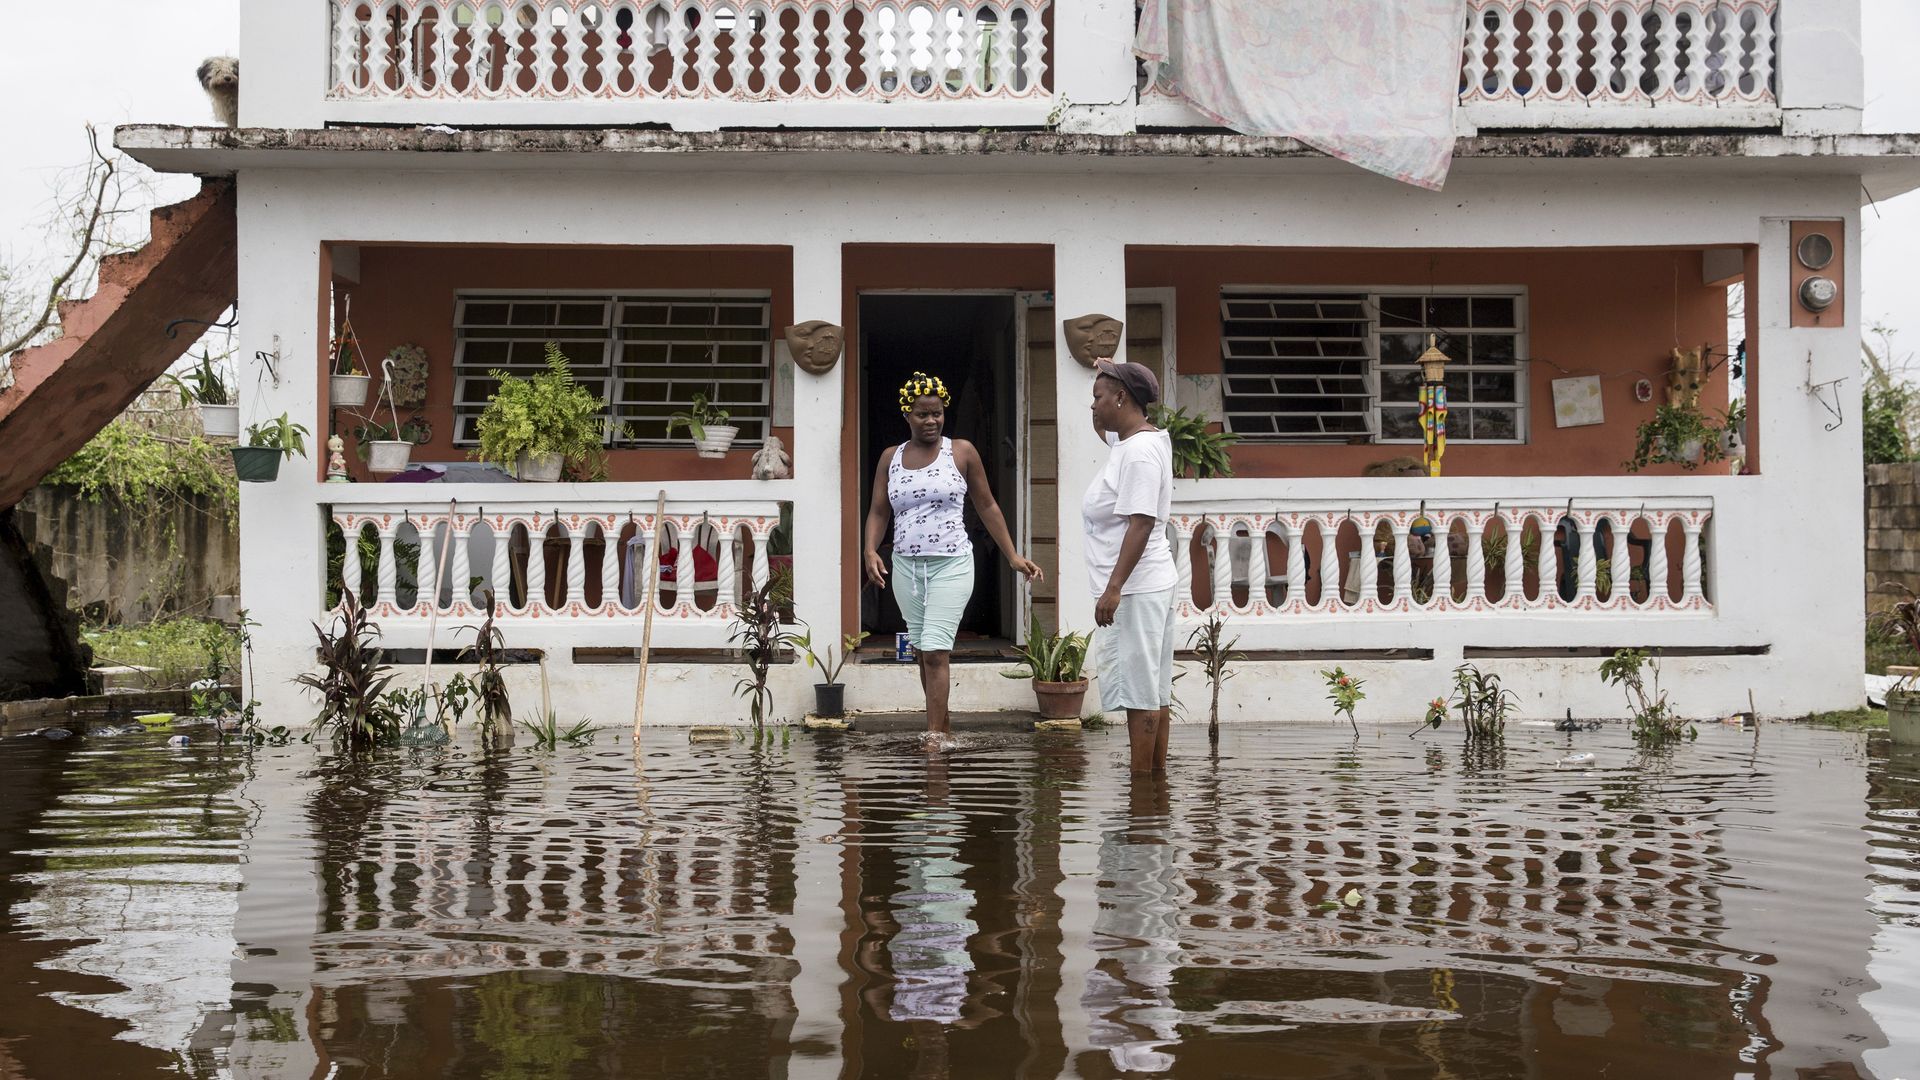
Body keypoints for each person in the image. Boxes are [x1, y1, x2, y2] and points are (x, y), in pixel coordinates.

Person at [865, 372, 1043, 737]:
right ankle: (942, 728)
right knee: (921, 651)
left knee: (934, 650)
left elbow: (988, 505)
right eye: (922, 414)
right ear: (907, 415)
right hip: (906, 568)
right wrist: (869, 550)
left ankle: (933, 740)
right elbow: (879, 510)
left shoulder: (960, 452)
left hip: (952, 563)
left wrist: (1012, 555)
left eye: (937, 413)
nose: (931, 421)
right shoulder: (890, 458)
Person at [1085, 361, 1178, 774]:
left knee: (1141, 694)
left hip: (1136, 589)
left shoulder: (1138, 454)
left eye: (1099, 397)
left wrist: (1113, 588)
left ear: (1121, 398)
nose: (1093, 405)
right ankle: (1154, 787)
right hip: (1151, 583)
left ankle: (1141, 792)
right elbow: (1103, 428)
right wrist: (1109, 368)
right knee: (1153, 692)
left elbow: (1141, 523)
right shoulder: (1135, 441)